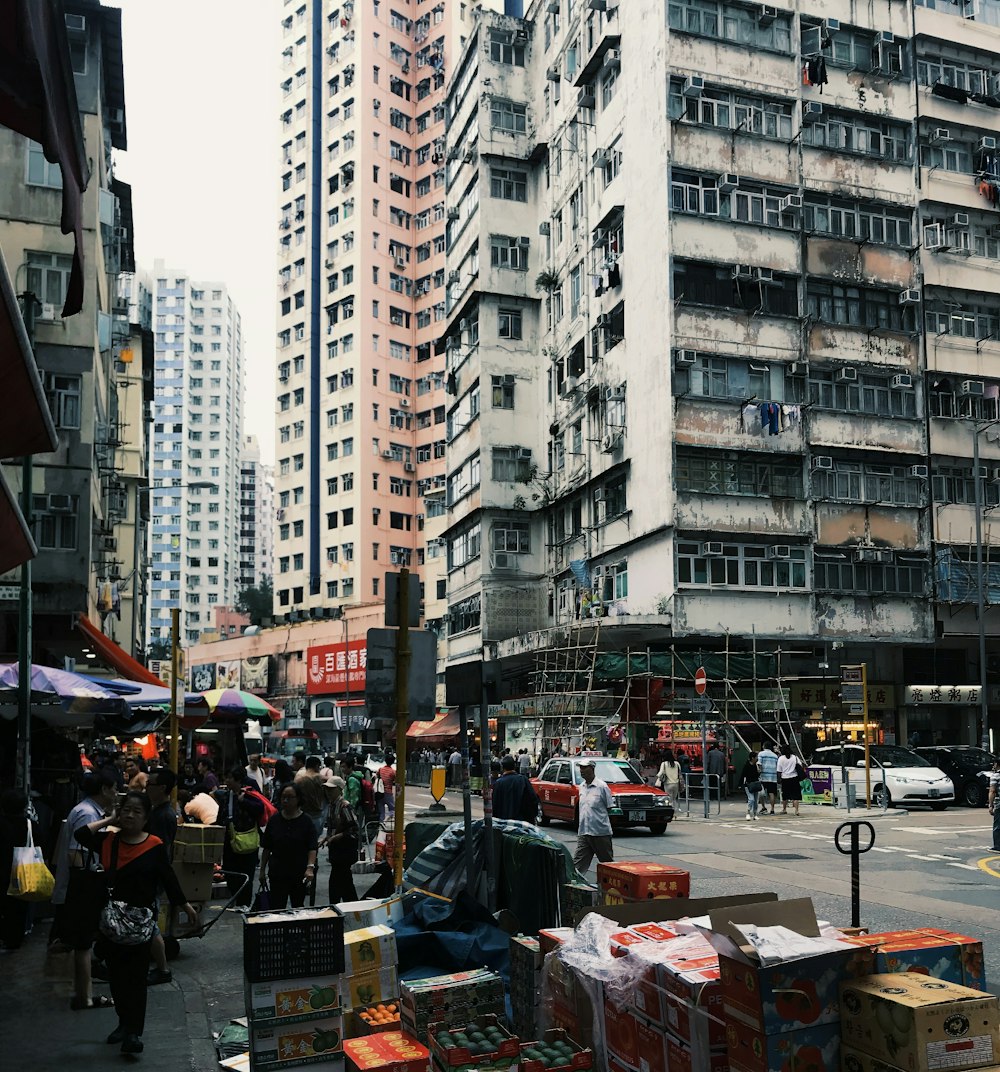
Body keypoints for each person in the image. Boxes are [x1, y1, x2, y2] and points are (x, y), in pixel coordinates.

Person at [75, 792, 198, 1056]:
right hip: (112, 923)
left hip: (141, 924)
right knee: (117, 978)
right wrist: (109, 819)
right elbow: (81, 835)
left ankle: (133, 1033)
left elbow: (168, 878)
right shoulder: (109, 841)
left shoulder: (154, 845)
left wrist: (185, 905)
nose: (130, 816)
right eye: (126, 810)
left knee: (136, 978)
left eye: (136, 812)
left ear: (146, 818)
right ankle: (122, 1023)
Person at [51, 767, 118, 1010]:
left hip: (77, 887)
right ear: (103, 789)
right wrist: (93, 874)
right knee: (81, 943)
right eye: (114, 788)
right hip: (80, 889)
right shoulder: (89, 814)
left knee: (80, 943)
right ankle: (84, 996)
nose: (116, 792)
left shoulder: (88, 810)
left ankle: (83, 993)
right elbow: (74, 853)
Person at [259, 783, 318, 909]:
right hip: (277, 873)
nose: (285, 800)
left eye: (290, 797)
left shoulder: (306, 821)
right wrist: (262, 871)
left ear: (298, 799)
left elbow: (312, 847)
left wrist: (310, 868)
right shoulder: (274, 820)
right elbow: (267, 848)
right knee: (276, 907)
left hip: (299, 873)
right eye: (283, 797)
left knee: (298, 907)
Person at [144, 768, 178, 986]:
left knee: (150, 922)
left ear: (162, 788)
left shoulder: (163, 815)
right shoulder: (160, 811)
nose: (147, 787)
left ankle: (163, 968)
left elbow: (161, 852)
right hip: (152, 875)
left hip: (151, 877)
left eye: (151, 784)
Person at [218, 767, 265, 908]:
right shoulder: (226, 795)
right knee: (230, 870)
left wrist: (244, 801)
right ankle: (235, 898)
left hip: (247, 839)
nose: (226, 781)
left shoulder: (250, 794)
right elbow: (221, 815)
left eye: (229, 778)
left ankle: (244, 903)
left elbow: (260, 809)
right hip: (230, 840)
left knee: (246, 872)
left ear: (238, 780)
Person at [0, 788, 36, 951]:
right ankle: (15, 939)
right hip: (23, 870)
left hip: (2, 870)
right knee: (19, 907)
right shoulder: (29, 825)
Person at [320, 776, 359, 904]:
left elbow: (353, 829)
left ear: (339, 790)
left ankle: (339, 906)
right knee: (344, 883)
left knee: (338, 882)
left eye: (331, 789)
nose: (328, 792)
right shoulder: (332, 805)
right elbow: (333, 828)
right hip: (337, 851)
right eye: (326, 789)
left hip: (345, 850)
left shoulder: (344, 806)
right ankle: (350, 907)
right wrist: (327, 838)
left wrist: (337, 836)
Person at [573, 759, 615, 873]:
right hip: (584, 832)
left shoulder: (602, 787)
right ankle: (575, 887)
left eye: (584, 768)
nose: (581, 771)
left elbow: (609, 807)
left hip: (600, 832)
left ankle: (609, 887)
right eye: (580, 768)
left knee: (608, 865)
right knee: (577, 865)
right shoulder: (581, 787)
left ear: (592, 768)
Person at [492, 755, 540, 821]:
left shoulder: (498, 783)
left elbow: (495, 805)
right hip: (523, 823)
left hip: (504, 824)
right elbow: (533, 800)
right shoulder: (524, 780)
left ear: (502, 768)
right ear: (514, 766)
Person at [296, 755, 328, 837]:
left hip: (301, 813)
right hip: (316, 814)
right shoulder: (321, 778)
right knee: (313, 841)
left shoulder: (298, 779)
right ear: (317, 766)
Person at [776, 744, 803, 817]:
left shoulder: (781, 758)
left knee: (785, 795)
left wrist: (779, 780)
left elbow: (779, 770)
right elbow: (800, 766)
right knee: (796, 795)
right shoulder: (795, 757)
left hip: (785, 778)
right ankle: (796, 810)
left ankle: (784, 809)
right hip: (794, 778)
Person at [757, 742, 779, 815]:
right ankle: (772, 809)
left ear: (764, 746)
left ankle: (763, 807)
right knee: (771, 793)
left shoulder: (761, 754)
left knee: (761, 793)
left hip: (763, 776)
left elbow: (759, 764)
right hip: (773, 777)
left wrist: (759, 772)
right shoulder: (775, 756)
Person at [739, 751, 762, 821]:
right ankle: (748, 813)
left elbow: (757, 775)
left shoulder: (756, 765)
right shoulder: (747, 765)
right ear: (753, 758)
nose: (757, 758)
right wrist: (740, 784)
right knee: (751, 799)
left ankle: (755, 814)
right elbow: (743, 775)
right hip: (748, 785)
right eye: (756, 757)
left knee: (756, 800)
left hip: (755, 784)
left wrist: (758, 771)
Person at [377, 753, 396, 822]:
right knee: (392, 808)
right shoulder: (393, 772)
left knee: (381, 809)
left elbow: (377, 777)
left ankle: (381, 822)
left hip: (379, 792)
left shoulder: (380, 769)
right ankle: (387, 820)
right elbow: (396, 780)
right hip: (388, 792)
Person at [987, 758, 1000, 852]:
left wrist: (990, 805)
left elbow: (992, 791)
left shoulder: (995, 776)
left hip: (999, 804)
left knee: (997, 825)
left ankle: (997, 846)